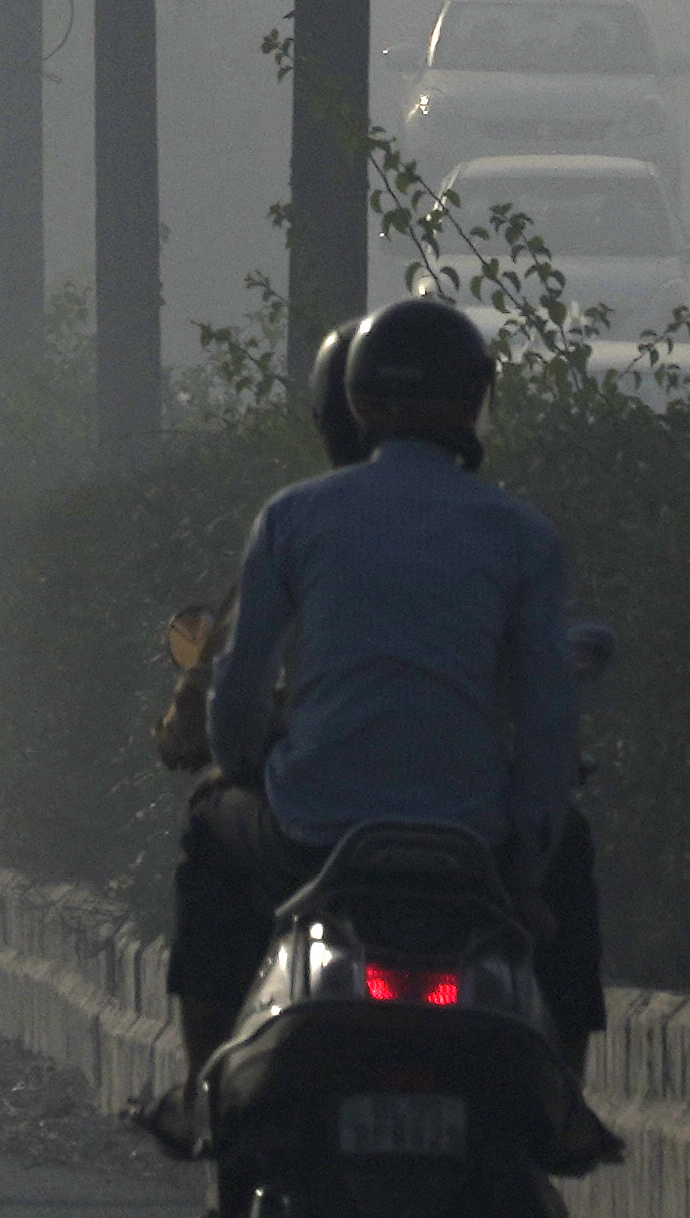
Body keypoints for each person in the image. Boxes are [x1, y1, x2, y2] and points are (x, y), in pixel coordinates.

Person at [149, 299, 602, 1165]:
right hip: (473, 835)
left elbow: (235, 699)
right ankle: (566, 1104)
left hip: (312, 833)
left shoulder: (295, 517)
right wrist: (527, 855)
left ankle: (203, 1084)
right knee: (572, 856)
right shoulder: (522, 533)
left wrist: (250, 767)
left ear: (353, 406)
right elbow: (549, 718)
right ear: (475, 404)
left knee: (211, 832)